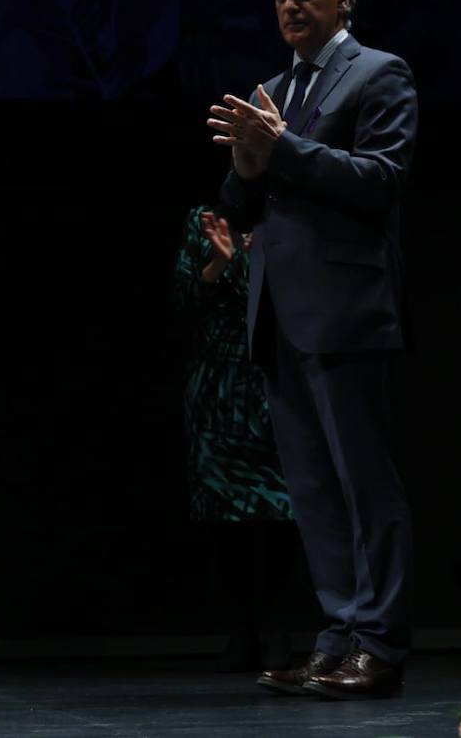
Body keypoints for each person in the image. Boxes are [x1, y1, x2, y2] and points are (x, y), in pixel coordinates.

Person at [206, 0, 417, 700]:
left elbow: (383, 180)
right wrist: (248, 170)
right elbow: (243, 204)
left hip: (344, 311)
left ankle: (380, 644)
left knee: (364, 484)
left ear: (341, 0)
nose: (290, 6)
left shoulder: (379, 73)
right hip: (279, 315)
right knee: (314, 489)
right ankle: (338, 637)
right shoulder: (275, 89)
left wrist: (284, 150)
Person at [171, 206, 295, 671]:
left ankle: (277, 624)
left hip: (275, 378)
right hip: (218, 381)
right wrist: (220, 262)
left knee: (287, 504)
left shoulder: (288, 216)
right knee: (222, 508)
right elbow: (183, 302)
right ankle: (241, 627)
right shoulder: (206, 218)